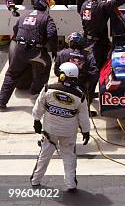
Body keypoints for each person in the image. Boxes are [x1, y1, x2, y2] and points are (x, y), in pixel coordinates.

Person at [31, 62, 91, 193]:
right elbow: (84, 117)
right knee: (69, 157)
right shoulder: (80, 96)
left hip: (49, 132)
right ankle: (71, 184)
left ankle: (35, 180)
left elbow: (39, 106)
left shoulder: (48, 88)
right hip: (69, 133)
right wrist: (86, 131)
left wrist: (36, 121)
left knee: (44, 156)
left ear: (63, 76)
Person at [0, 0, 57, 109]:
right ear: (45, 5)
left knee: (11, 74)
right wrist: (53, 50)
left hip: (19, 50)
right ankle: (35, 94)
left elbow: (15, 30)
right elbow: (52, 34)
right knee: (45, 68)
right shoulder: (47, 18)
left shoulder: (24, 16)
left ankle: (2, 101)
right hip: (36, 52)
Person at [81, 0, 125, 70]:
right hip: (98, 44)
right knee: (99, 69)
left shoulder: (85, 3)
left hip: (87, 40)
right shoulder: (101, 5)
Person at [54, 32, 98, 112]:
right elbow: (94, 73)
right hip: (81, 88)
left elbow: (56, 71)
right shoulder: (88, 55)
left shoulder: (61, 53)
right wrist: (88, 85)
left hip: (63, 86)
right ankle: (86, 110)